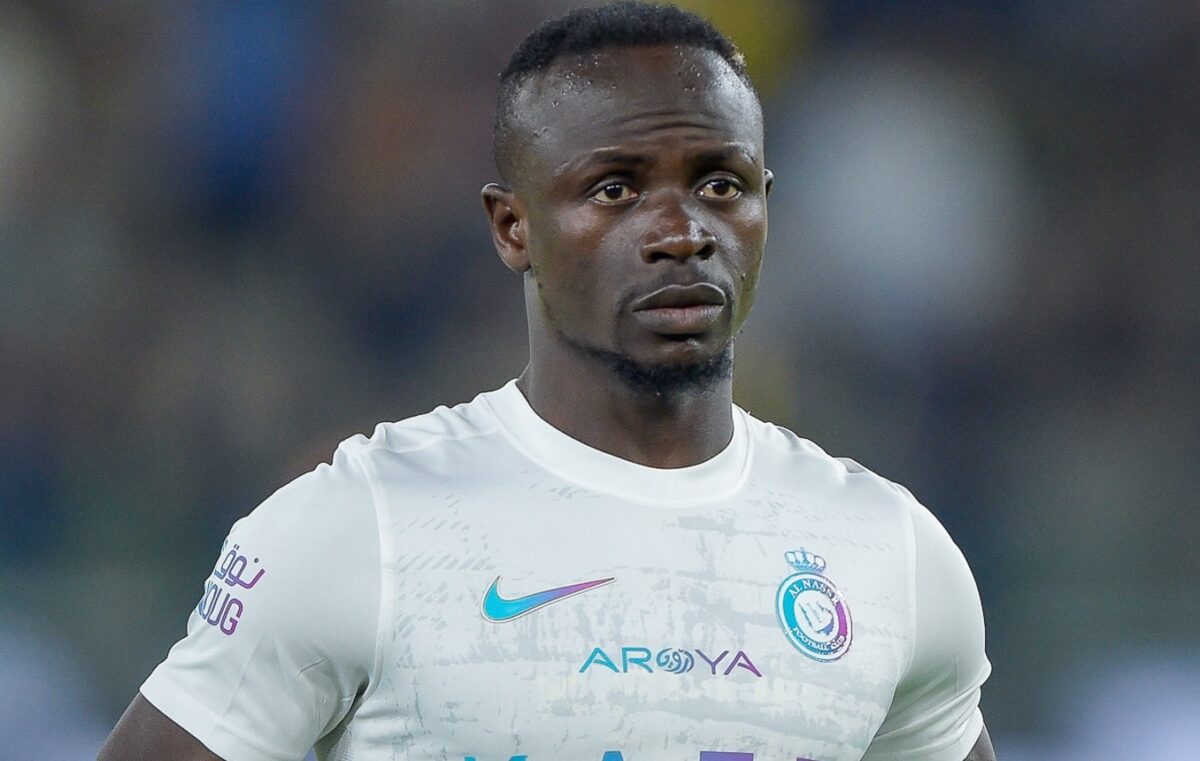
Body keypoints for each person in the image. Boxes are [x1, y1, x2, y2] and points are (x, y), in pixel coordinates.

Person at [99, 4, 995, 760]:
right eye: (615, 189)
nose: (681, 230)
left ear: (766, 203)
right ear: (512, 226)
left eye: (721, 184)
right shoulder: (360, 527)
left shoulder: (891, 555)